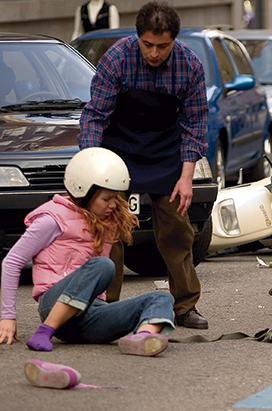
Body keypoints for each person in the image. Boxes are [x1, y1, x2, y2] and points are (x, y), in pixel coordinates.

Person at [79, 1, 209, 329]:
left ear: (174, 41)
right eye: (147, 45)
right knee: (110, 230)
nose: (154, 53)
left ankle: (184, 306)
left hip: (166, 153)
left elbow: (195, 125)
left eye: (162, 46)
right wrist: (93, 167)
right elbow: (95, 115)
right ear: (138, 37)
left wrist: (186, 177)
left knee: (178, 233)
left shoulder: (189, 65)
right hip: (118, 151)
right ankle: (105, 307)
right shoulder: (117, 58)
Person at [0, 147, 174, 357]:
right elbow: (11, 262)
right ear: (84, 192)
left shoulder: (106, 222)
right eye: (106, 199)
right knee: (103, 265)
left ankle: (141, 339)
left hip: (91, 314)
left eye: (116, 198)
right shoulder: (52, 219)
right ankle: (44, 332)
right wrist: (7, 317)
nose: (113, 205)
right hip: (53, 306)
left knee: (162, 299)